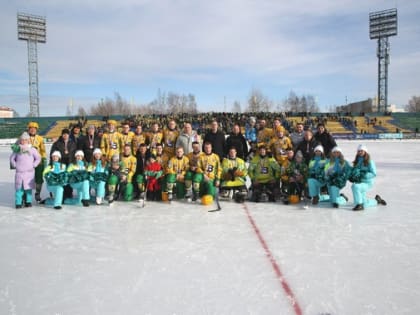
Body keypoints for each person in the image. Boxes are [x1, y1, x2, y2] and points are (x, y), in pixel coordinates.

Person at [350, 144, 387, 211]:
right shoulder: (357, 161)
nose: (360, 152)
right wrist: (352, 176)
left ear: (365, 152)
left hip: (367, 183)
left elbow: (374, 173)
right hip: (359, 182)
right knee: (365, 204)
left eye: (362, 151)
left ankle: (359, 205)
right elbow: (355, 171)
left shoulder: (370, 161)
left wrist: (364, 175)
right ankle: (377, 200)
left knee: (355, 187)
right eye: (359, 151)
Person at [10, 132, 41, 208]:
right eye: (22, 140)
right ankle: (18, 203)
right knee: (19, 189)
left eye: (25, 140)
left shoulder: (32, 149)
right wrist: (15, 165)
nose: (24, 141)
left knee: (28, 189)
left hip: (29, 173)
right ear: (20, 141)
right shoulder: (17, 149)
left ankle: (28, 202)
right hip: (19, 172)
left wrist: (34, 165)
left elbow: (38, 158)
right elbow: (12, 158)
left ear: (28, 141)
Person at [27, 121, 47, 202]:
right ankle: (26, 195)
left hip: (38, 161)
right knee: (27, 179)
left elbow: (43, 150)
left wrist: (44, 159)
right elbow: (16, 147)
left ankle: (37, 192)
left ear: (36, 130)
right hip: (27, 162)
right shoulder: (24, 137)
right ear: (28, 129)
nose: (32, 130)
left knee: (39, 178)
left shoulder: (40, 138)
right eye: (31, 128)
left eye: (34, 128)